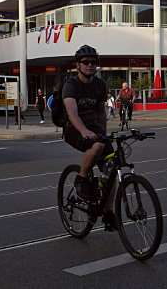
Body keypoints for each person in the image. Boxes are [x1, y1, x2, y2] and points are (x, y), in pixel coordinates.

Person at [62, 45, 115, 231]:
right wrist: (84, 131)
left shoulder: (100, 85)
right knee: (97, 146)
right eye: (86, 62)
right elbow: (72, 113)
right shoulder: (71, 85)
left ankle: (108, 213)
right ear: (78, 65)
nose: (90, 65)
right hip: (74, 129)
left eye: (94, 62)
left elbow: (101, 112)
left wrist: (105, 133)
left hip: (95, 129)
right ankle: (81, 178)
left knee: (112, 167)